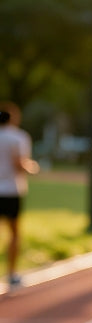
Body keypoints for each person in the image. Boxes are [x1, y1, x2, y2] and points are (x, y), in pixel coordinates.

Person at [0, 102, 38, 291]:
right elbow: (19, 163)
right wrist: (33, 167)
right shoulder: (18, 137)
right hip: (11, 190)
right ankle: (12, 273)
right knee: (14, 233)